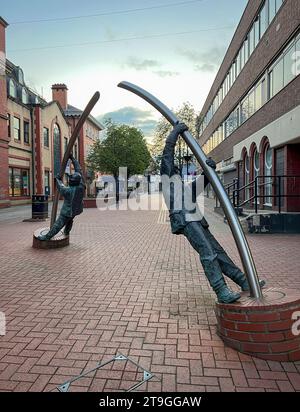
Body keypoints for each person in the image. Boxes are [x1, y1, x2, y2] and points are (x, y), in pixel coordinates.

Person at [160, 122, 265, 303]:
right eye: (174, 169)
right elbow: (167, 154)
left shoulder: (182, 188)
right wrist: (175, 133)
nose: (175, 170)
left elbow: (199, 186)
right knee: (208, 252)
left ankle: (243, 281)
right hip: (185, 220)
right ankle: (221, 291)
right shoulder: (167, 179)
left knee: (218, 252)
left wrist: (209, 171)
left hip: (196, 219)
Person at [37, 154, 86, 241]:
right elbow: (79, 169)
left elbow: (60, 187)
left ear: (71, 182)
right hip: (76, 209)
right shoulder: (81, 185)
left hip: (67, 211)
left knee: (58, 224)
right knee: (70, 220)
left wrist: (58, 179)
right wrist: (73, 159)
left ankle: (47, 237)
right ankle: (67, 231)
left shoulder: (68, 191)